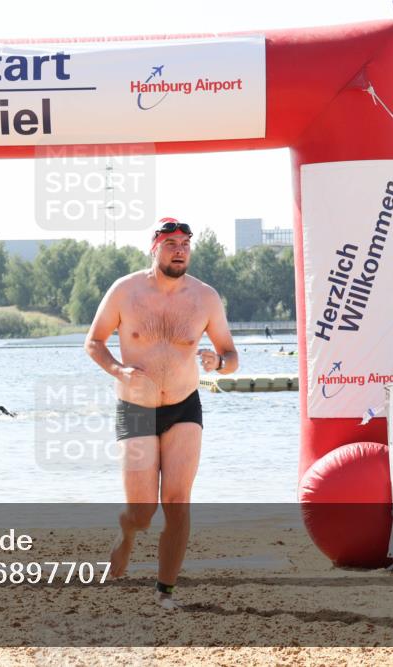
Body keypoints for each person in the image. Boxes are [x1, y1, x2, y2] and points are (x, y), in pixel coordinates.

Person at [83, 217, 238, 610]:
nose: (180, 249)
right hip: (135, 408)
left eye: (185, 243)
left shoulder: (205, 297)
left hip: (184, 405)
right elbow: (94, 342)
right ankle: (127, 534)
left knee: (177, 500)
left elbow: (232, 356)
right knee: (143, 509)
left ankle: (164, 591)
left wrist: (217, 363)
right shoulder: (125, 291)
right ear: (154, 249)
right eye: (171, 243)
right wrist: (119, 370)